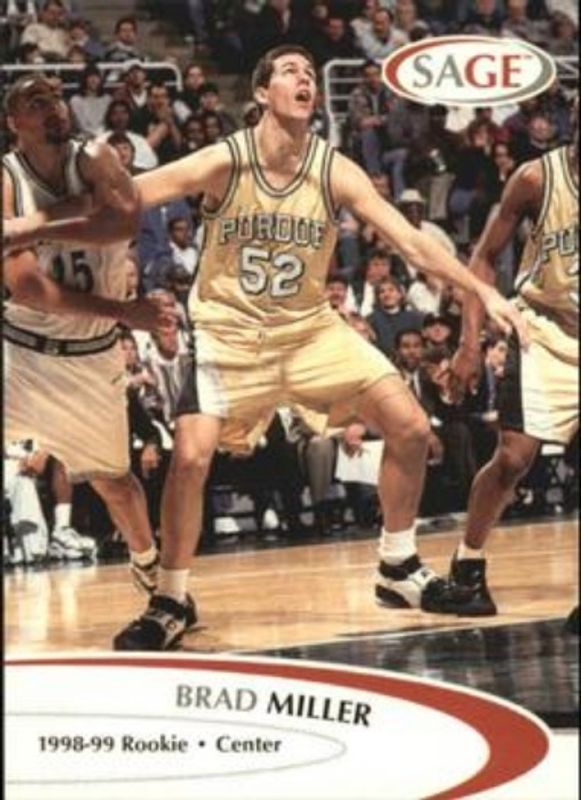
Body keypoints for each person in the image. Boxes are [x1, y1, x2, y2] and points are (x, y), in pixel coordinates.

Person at [6, 48, 527, 652]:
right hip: (230, 332)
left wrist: (482, 291)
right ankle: (170, 598)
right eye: (290, 71)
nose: (305, 77)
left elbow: (411, 241)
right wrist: (28, 225)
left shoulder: (334, 169)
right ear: (260, 93)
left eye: (310, 71)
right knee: (191, 458)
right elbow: (122, 200)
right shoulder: (226, 159)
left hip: (309, 330)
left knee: (409, 425)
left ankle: (397, 564)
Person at [2, 74, 194, 639]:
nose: (52, 106)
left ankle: (150, 567)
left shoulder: (96, 155)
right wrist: (123, 308)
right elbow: (27, 288)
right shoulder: (6, 176)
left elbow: (124, 219)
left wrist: (32, 226)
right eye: (35, 102)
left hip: (91, 355)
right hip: (19, 351)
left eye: (55, 97)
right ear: (14, 123)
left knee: (115, 483)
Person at [448, 100, 578, 627]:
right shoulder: (536, 178)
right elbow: (482, 257)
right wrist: (469, 343)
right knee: (512, 458)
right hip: (542, 330)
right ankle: (467, 567)